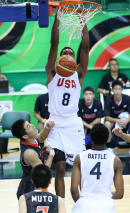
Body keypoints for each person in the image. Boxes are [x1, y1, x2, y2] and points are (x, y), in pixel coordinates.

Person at [44, 9, 89, 202]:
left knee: (81, 164)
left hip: (72, 123)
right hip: (55, 123)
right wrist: (57, 18)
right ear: (59, 60)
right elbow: (54, 43)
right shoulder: (52, 72)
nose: (69, 55)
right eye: (65, 53)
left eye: (71, 53)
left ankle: (82, 200)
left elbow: (85, 47)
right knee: (60, 167)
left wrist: (83, 20)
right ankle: (60, 205)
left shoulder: (79, 74)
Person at [71, 123, 124, 213]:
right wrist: (104, 195)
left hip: (84, 204)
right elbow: (119, 194)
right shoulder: (115, 160)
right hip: (106, 206)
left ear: (91, 138)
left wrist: (80, 203)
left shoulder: (79, 157)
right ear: (107, 139)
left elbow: (74, 189)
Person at [11, 119, 56, 199]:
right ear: (25, 136)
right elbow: (44, 171)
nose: (33, 125)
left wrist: (47, 128)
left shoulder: (32, 139)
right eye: (29, 127)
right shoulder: (29, 153)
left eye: (30, 123)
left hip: (36, 184)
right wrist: (52, 154)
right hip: (28, 188)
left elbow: (41, 137)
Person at [104, 80, 130, 157]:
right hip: (115, 121)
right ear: (112, 90)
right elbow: (107, 117)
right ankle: (109, 148)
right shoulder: (108, 100)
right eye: (115, 89)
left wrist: (125, 122)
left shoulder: (128, 98)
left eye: (119, 89)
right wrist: (118, 121)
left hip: (126, 121)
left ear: (122, 89)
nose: (117, 91)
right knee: (106, 124)